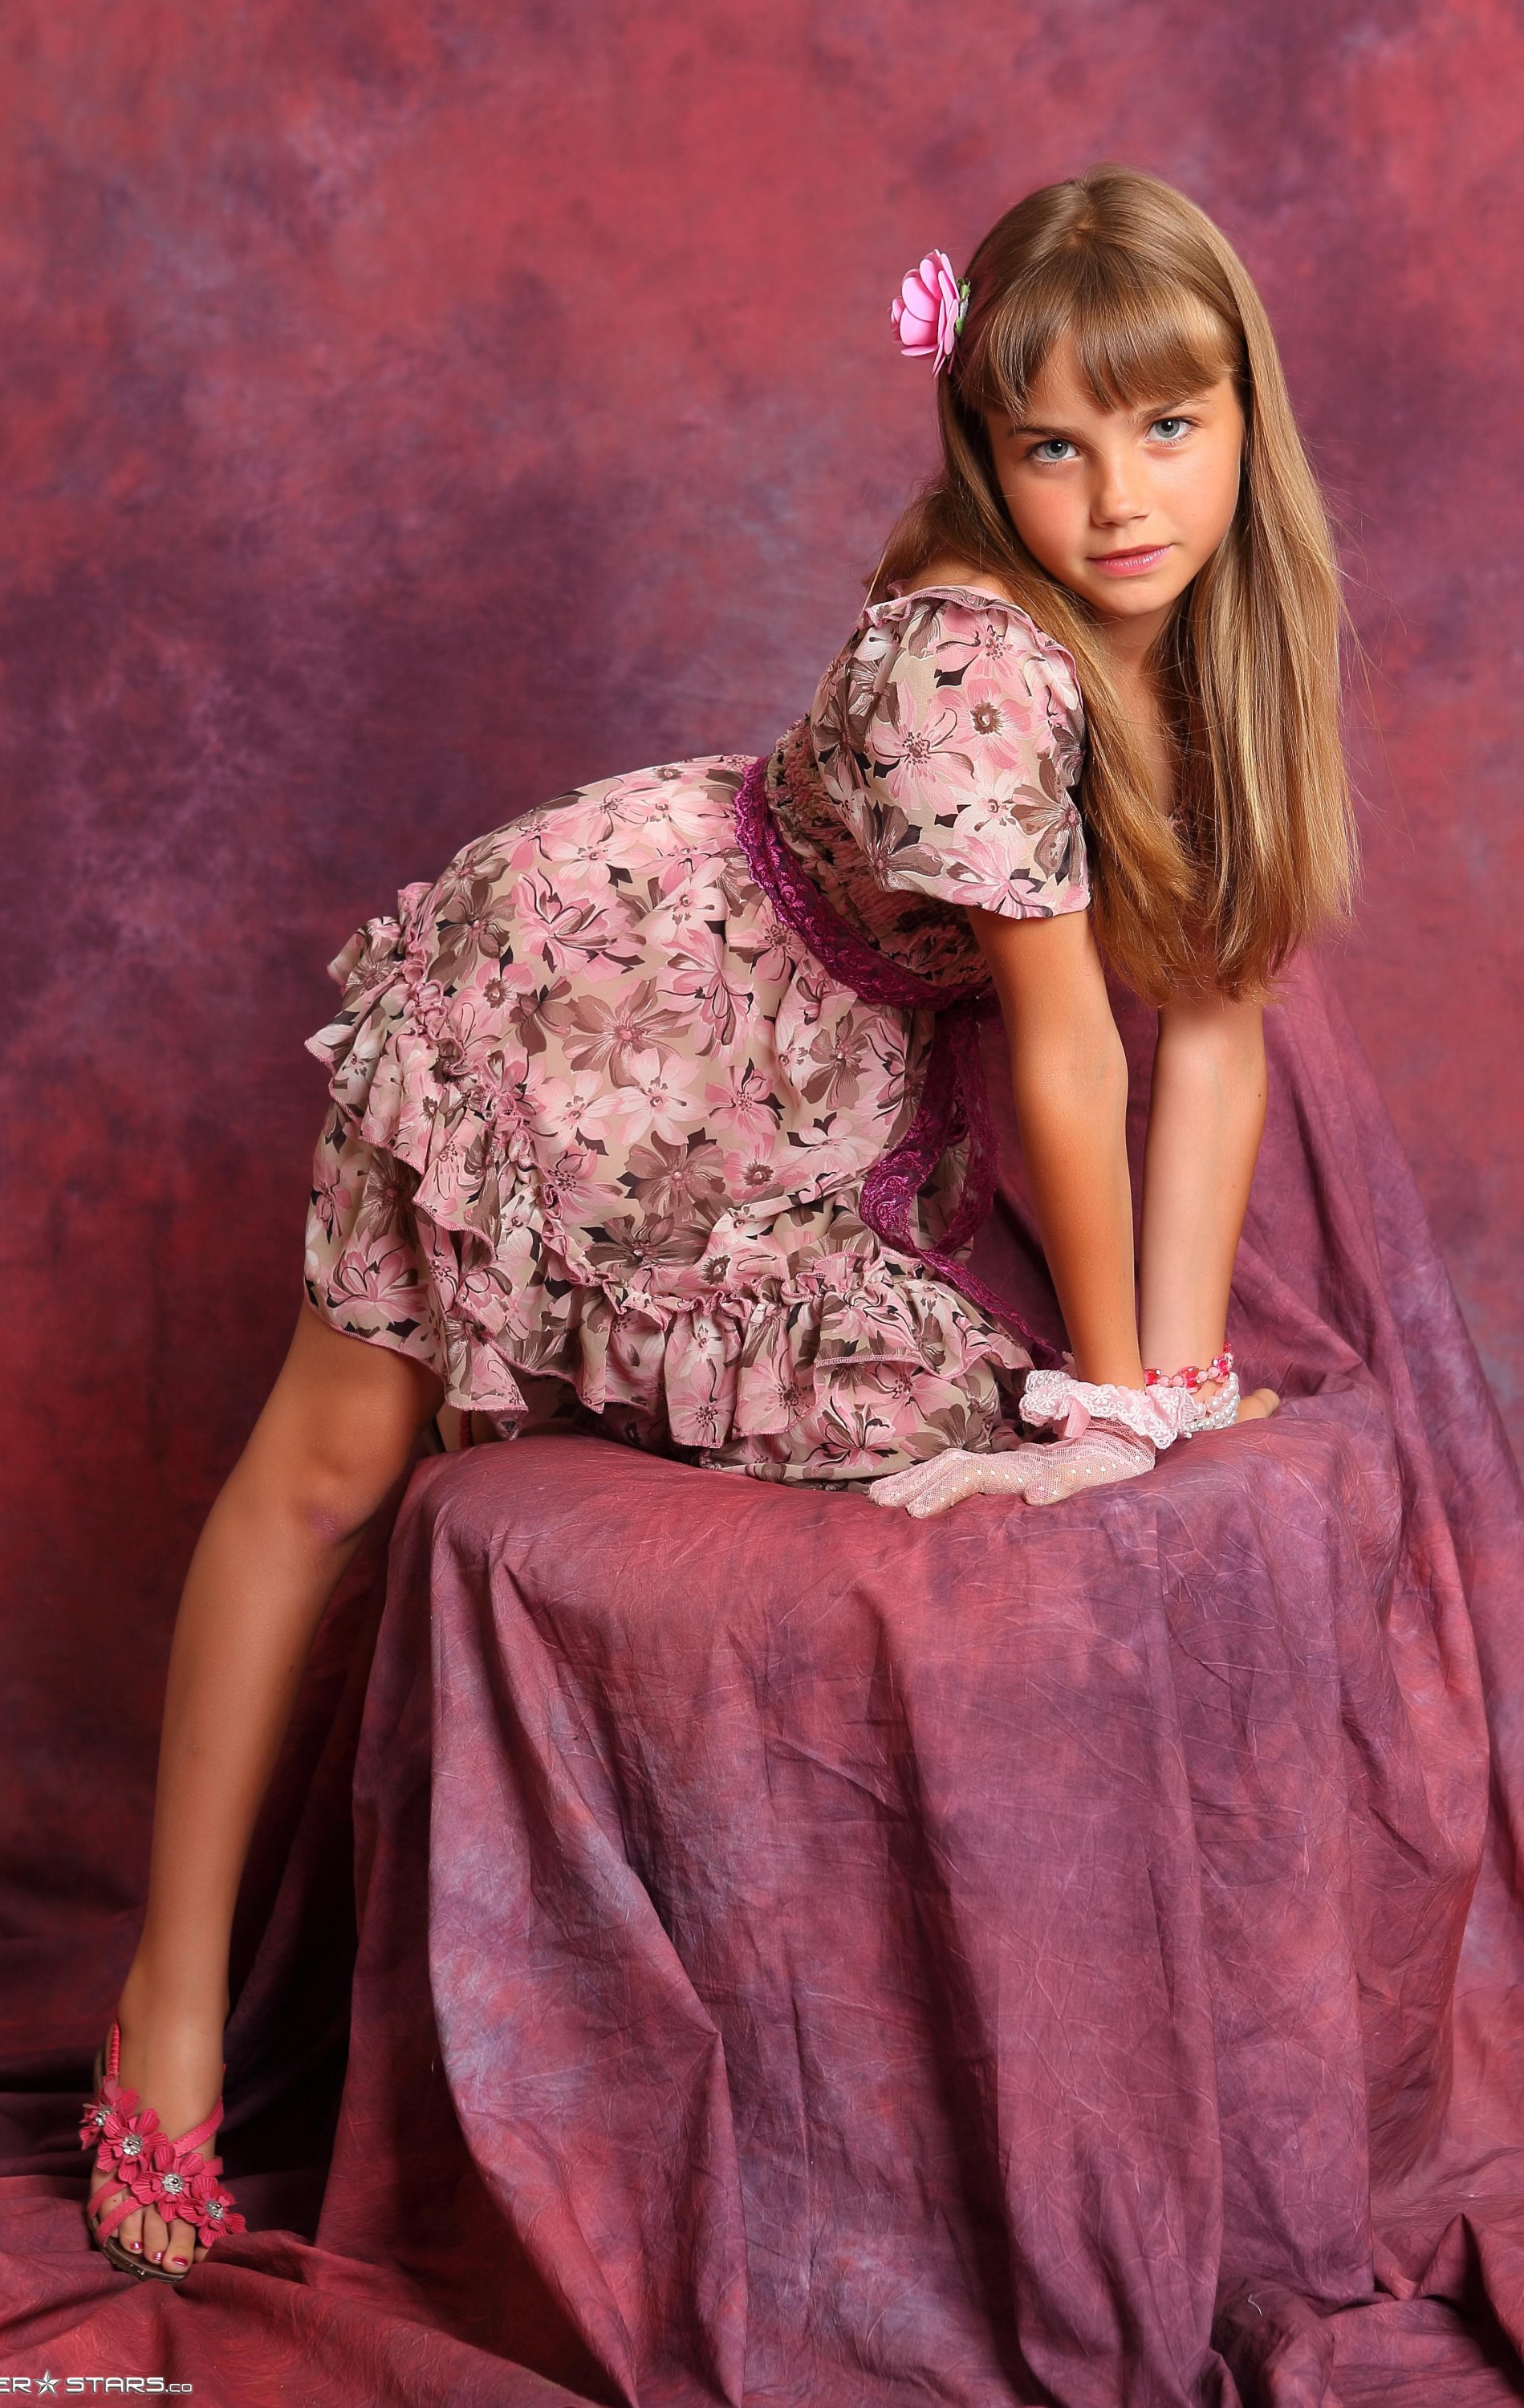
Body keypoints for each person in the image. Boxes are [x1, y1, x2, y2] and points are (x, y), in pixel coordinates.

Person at [79, 163, 1349, 2277]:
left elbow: (1209, 1027)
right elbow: (1070, 1056)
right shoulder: (973, 666)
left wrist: (1175, 1380)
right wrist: (1115, 1398)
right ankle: (172, 2002)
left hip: (814, 1091)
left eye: (1166, 426)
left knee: (955, 1413)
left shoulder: (1224, 652)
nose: (1123, 496)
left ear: (1244, 420)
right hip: (598, 994)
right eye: (1055, 444)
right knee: (329, 1465)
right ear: (985, 450)